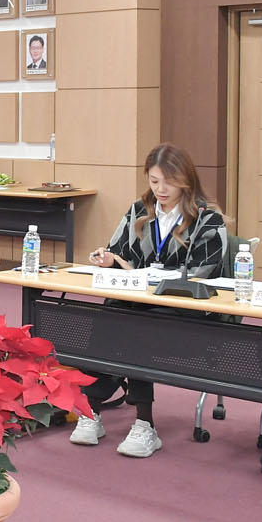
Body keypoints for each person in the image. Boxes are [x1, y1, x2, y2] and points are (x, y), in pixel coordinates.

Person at [71, 143, 228, 458]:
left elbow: (203, 273)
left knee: (135, 326)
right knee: (111, 314)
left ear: (186, 180)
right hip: (140, 304)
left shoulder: (207, 218)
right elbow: (119, 253)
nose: (161, 189)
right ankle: (93, 411)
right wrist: (108, 260)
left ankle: (142, 423)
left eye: (169, 182)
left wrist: (148, 276)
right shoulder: (139, 210)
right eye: (154, 181)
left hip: (186, 310)